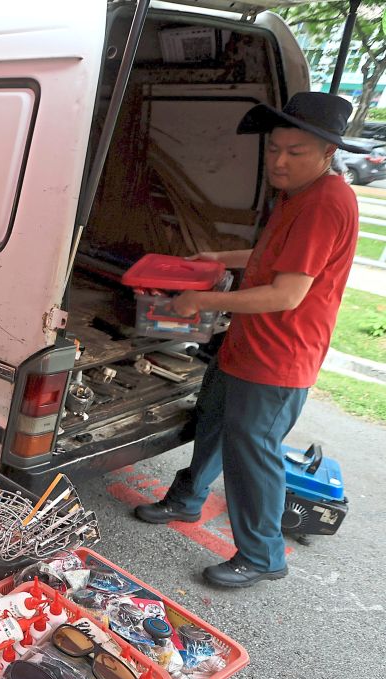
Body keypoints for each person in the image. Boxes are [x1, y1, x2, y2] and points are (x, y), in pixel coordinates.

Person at [134, 92, 361, 589]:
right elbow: (270, 255)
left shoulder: (326, 203)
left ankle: (262, 555)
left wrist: (200, 302)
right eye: (274, 148)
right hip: (245, 345)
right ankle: (187, 499)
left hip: (280, 357)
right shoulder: (298, 194)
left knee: (253, 452)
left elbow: (286, 292)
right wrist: (219, 257)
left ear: (327, 153)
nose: (279, 160)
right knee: (213, 423)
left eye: (295, 151)